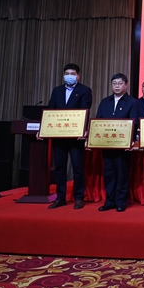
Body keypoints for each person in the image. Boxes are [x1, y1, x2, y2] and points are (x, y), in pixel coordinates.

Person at [47, 63, 93, 210]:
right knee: (59, 167)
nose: (69, 76)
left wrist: (83, 130)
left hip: (75, 136)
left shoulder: (84, 90)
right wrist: (44, 129)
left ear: (78, 76)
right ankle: (60, 198)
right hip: (59, 135)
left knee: (77, 168)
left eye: (72, 74)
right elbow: (50, 110)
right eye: (67, 73)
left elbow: (85, 110)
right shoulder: (57, 91)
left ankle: (79, 198)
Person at [95, 73, 137, 212]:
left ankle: (121, 202)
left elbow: (134, 123)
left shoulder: (132, 102)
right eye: (114, 83)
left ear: (126, 85)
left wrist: (130, 141)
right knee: (109, 174)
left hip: (123, 146)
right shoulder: (105, 101)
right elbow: (98, 121)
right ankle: (109, 201)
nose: (117, 86)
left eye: (120, 83)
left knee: (122, 174)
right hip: (107, 144)